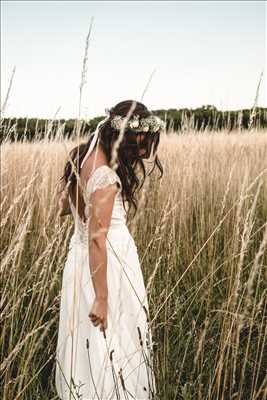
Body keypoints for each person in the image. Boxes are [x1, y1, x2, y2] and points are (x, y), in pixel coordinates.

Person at [55, 100, 165, 399]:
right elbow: (96, 240)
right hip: (107, 265)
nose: (144, 147)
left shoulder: (83, 157)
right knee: (113, 338)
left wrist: (81, 200)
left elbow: (64, 208)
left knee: (88, 341)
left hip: (80, 261)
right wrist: (101, 298)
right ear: (127, 136)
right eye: (141, 139)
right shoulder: (104, 176)